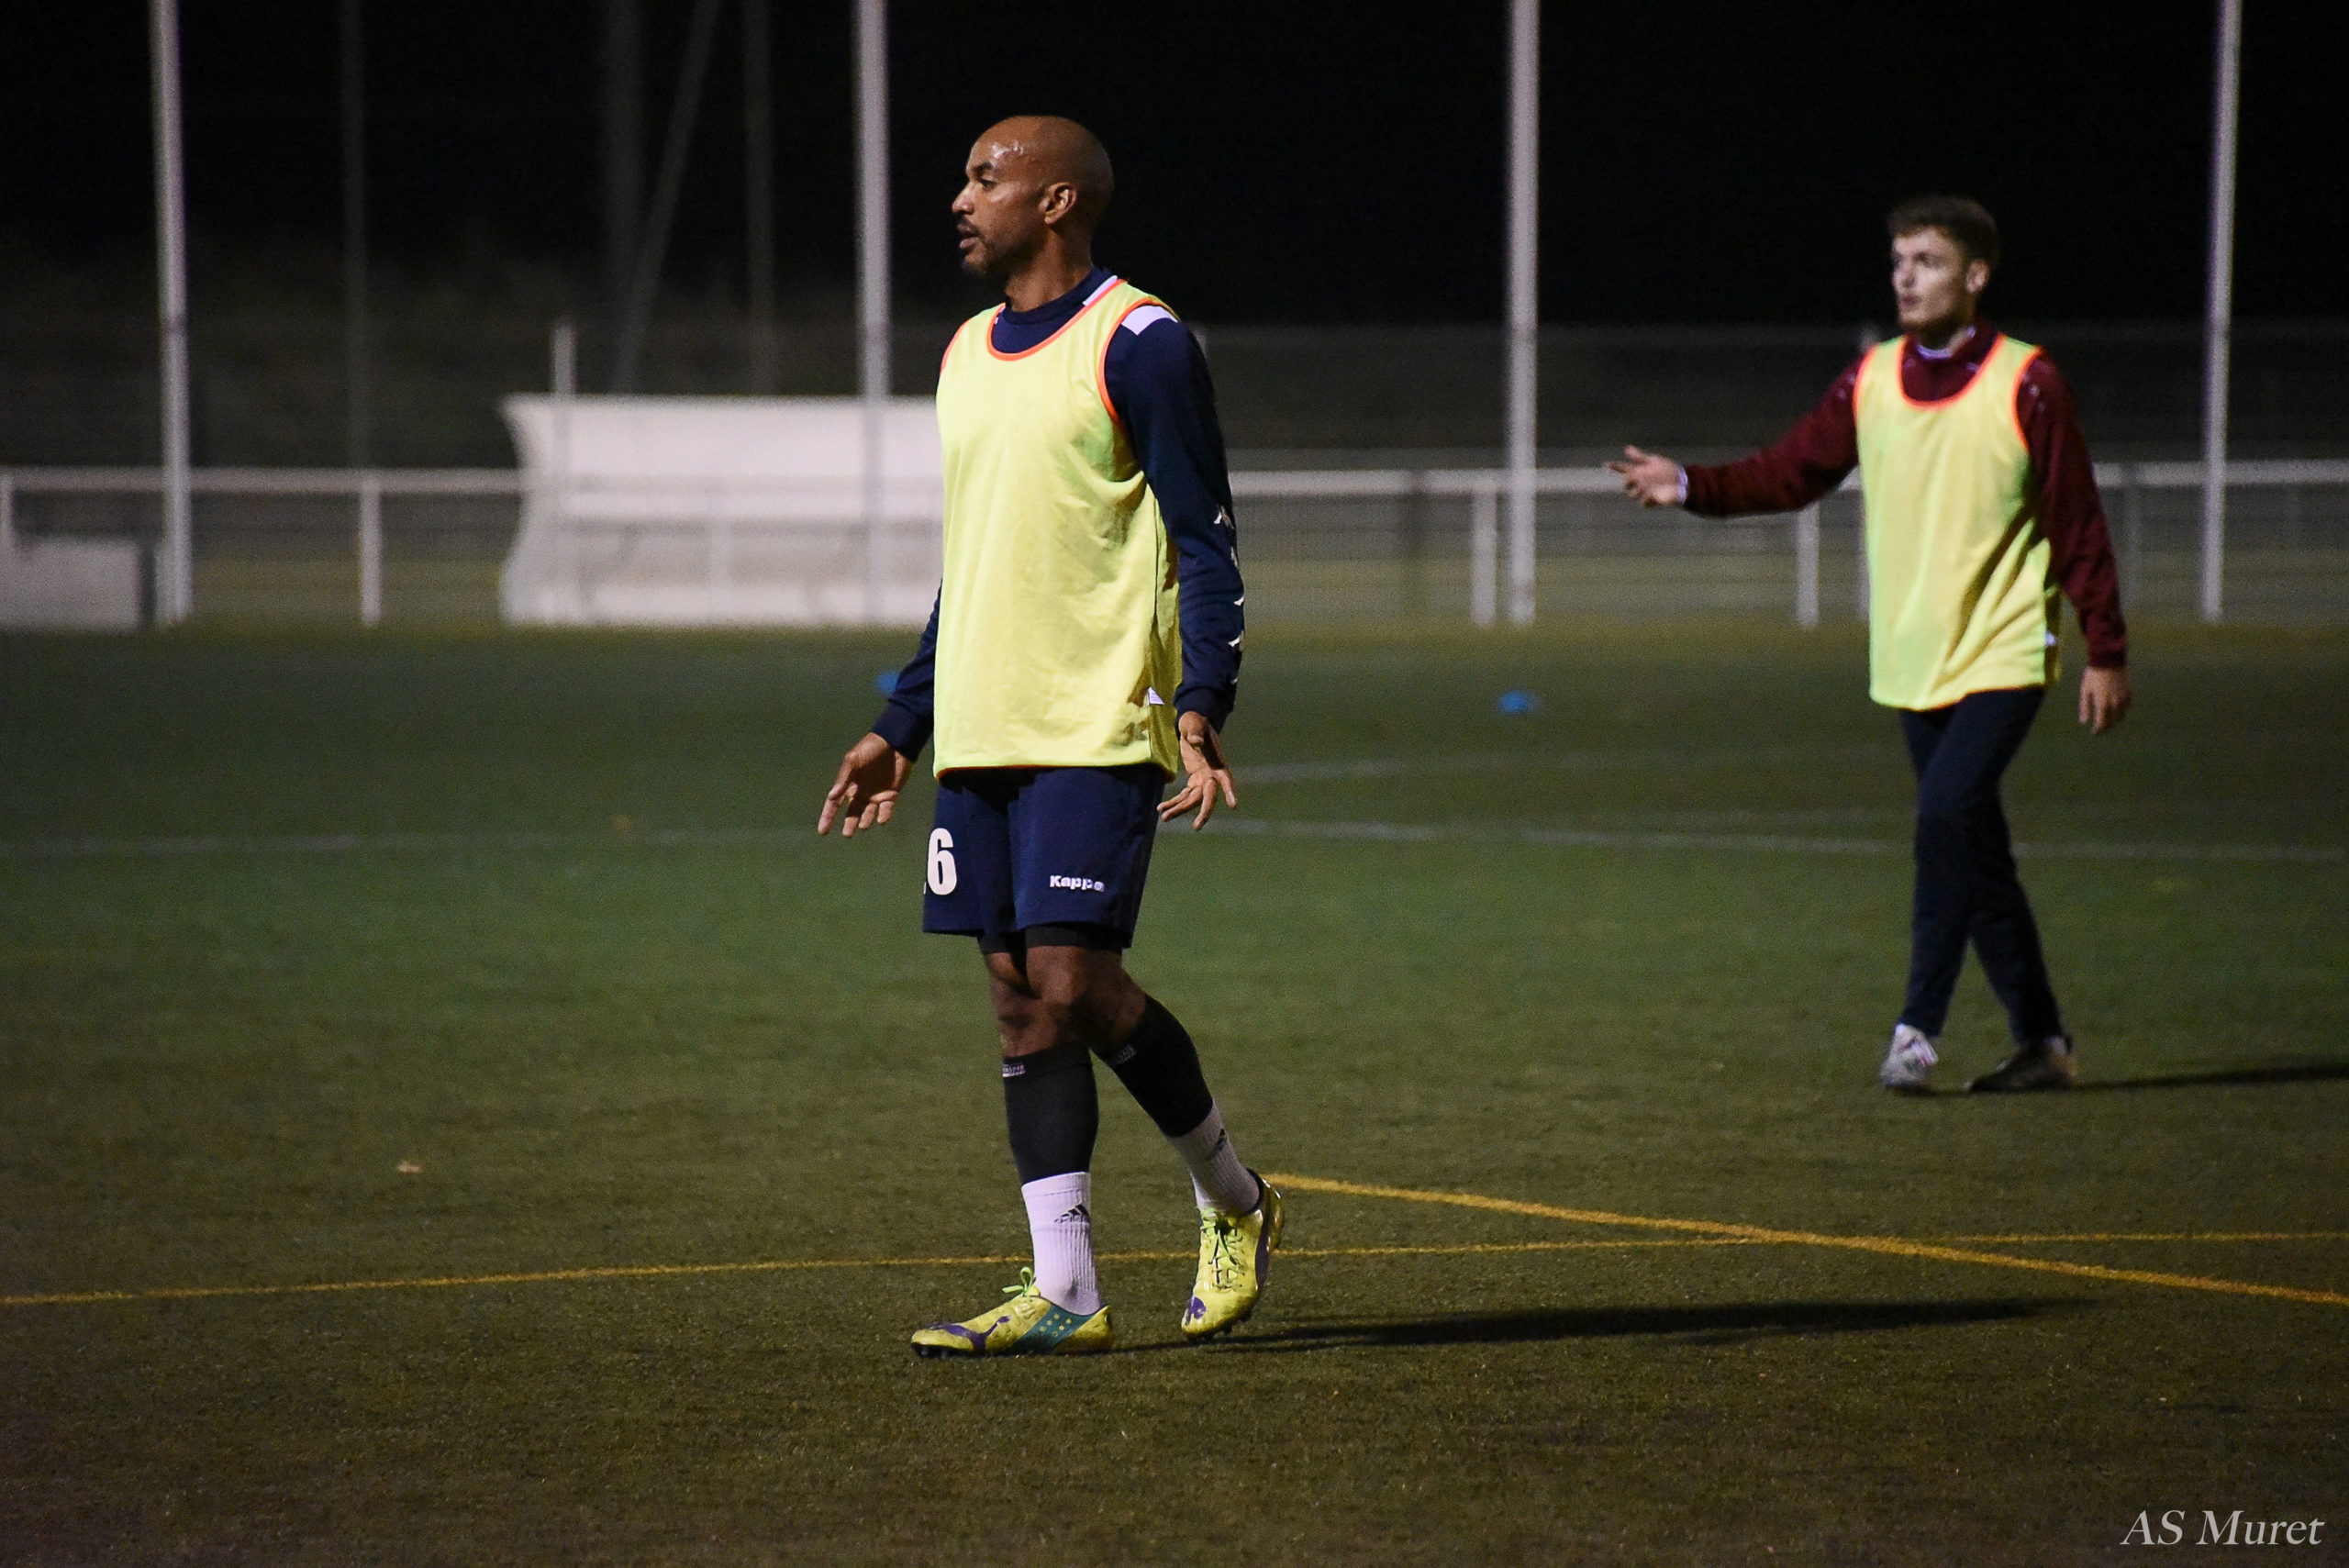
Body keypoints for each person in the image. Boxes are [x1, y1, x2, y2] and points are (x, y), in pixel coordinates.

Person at [817, 116, 1281, 1354]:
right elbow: (971, 559)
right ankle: (1065, 1288)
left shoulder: (1140, 341)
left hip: (1094, 716)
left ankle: (1234, 1198)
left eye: (987, 178)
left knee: (1074, 981)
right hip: (981, 722)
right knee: (1019, 1000)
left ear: (1058, 199)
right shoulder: (966, 351)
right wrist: (903, 722)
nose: (960, 198)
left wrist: (1204, 701)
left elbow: (1206, 537)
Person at [1609, 195, 2132, 1095]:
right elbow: (1790, 472)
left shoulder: (2028, 381)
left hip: (2003, 648)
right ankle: (2043, 1042)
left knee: (1943, 818)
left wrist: (2106, 648)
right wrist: (1688, 483)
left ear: (1975, 275)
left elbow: (2075, 518)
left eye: (1928, 261)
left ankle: (1916, 1030)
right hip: (1911, 656)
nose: (1906, 277)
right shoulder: (1872, 378)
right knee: (1975, 849)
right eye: (1898, 261)